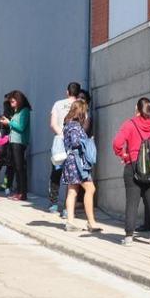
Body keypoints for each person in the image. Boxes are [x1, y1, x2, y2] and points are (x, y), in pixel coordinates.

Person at [112, 97, 150, 246]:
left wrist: (123, 155)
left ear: (137, 108)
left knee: (132, 203)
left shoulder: (130, 124)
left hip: (133, 166)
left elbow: (117, 143)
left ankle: (129, 236)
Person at [61, 100, 101, 233]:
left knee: (72, 191)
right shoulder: (75, 126)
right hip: (78, 162)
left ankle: (70, 222)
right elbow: (75, 141)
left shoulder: (67, 124)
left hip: (70, 161)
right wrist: (88, 141)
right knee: (90, 189)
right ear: (81, 112)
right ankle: (91, 222)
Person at [48, 82, 81, 213]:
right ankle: (68, 209)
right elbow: (85, 124)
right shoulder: (81, 105)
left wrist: (62, 134)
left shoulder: (58, 104)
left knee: (56, 172)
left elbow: (53, 124)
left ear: (67, 92)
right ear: (78, 93)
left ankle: (53, 204)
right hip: (75, 143)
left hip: (60, 141)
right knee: (72, 176)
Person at [5, 90, 32, 201]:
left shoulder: (25, 111)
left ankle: (22, 193)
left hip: (19, 142)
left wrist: (9, 122)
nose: (11, 103)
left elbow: (21, 127)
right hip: (13, 141)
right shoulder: (16, 112)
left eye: (12, 101)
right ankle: (18, 192)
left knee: (20, 168)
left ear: (18, 100)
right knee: (16, 168)